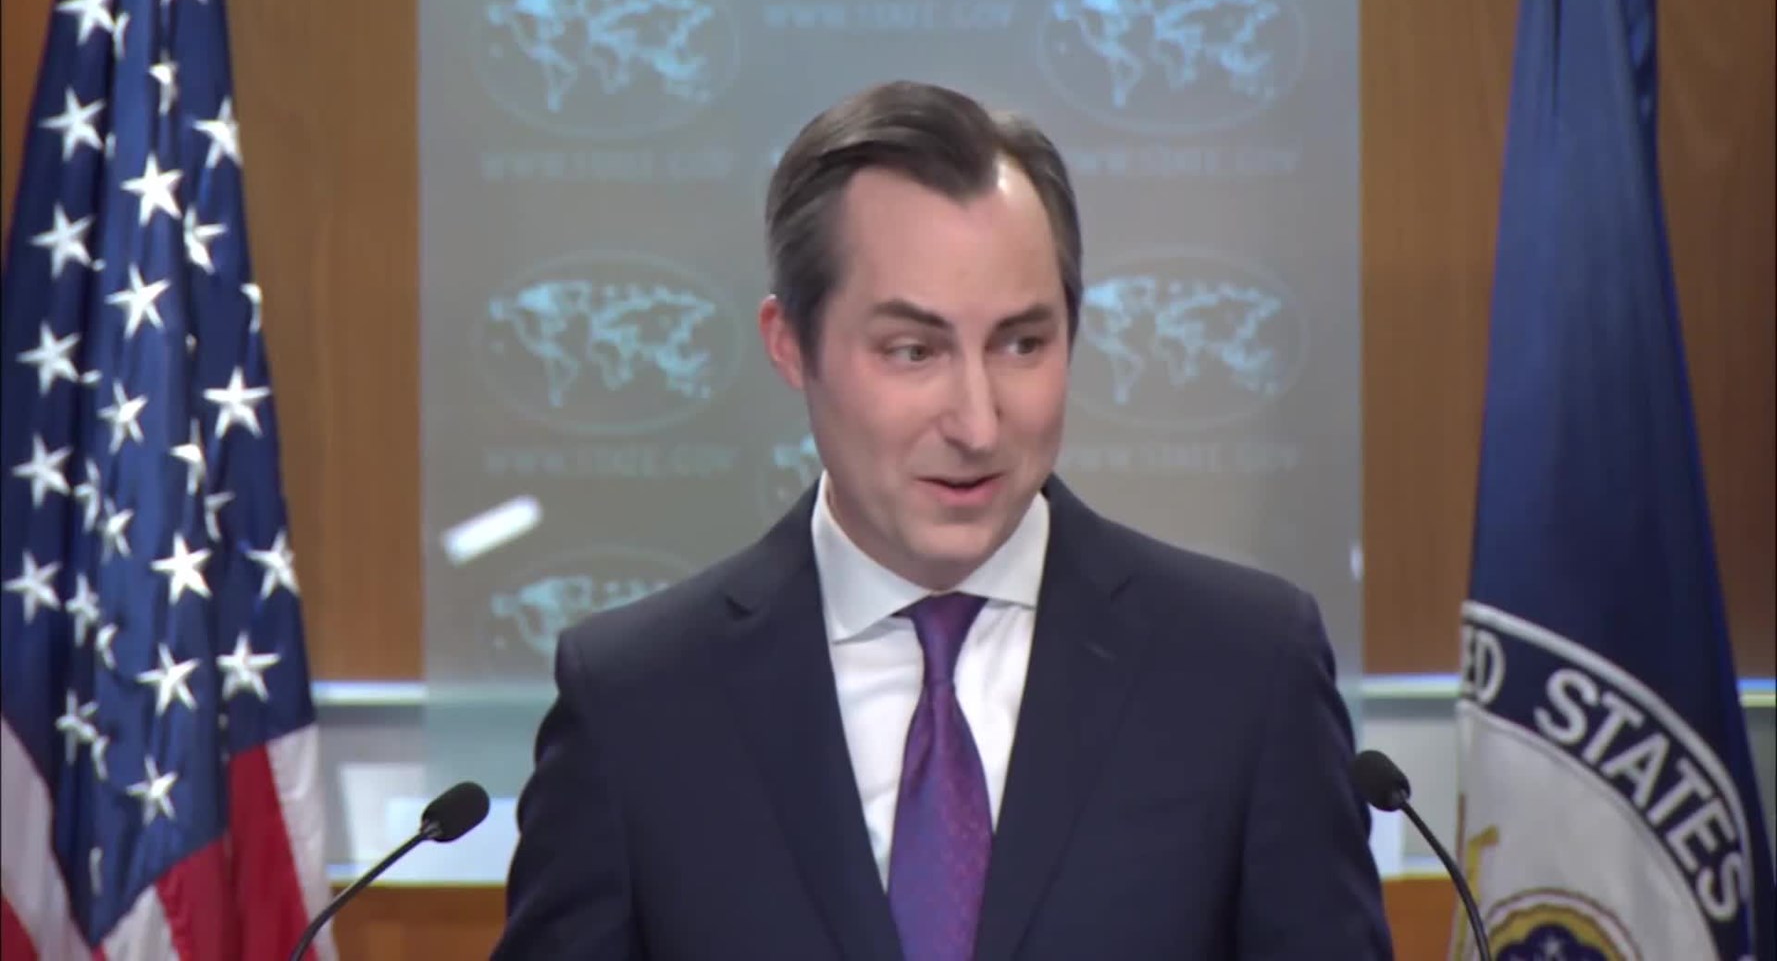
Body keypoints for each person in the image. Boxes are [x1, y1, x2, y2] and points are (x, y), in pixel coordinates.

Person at [492, 80, 1393, 960]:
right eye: (912, 351)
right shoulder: (637, 704)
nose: (976, 423)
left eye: (1021, 344)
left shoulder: (1243, 672)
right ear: (790, 345)